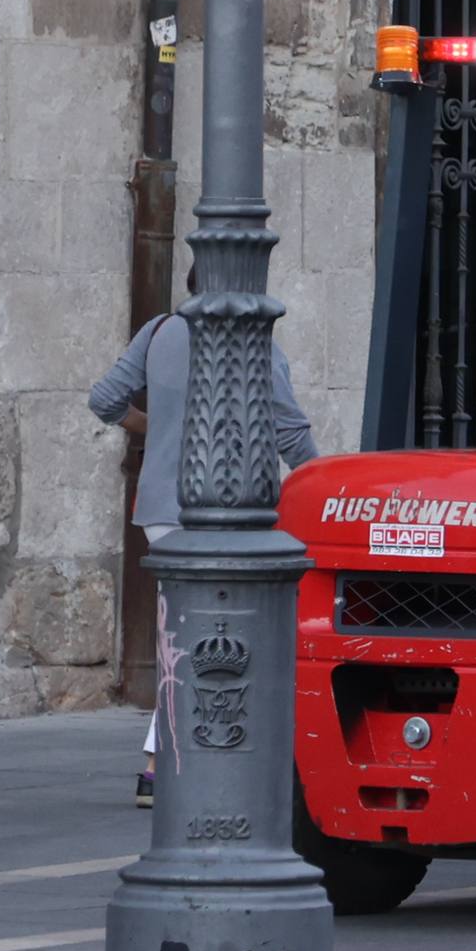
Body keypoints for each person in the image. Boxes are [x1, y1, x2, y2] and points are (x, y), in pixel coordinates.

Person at [89, 267, 318, 807]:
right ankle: (159, 763)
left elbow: (105, 400)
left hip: (161, 510)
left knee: (182, 637)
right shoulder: (255, 340)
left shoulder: (160, 329)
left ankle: (174, 759)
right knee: (218, 640)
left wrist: (160, 426)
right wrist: (322, 485)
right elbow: (288, 429)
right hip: (226, 511)